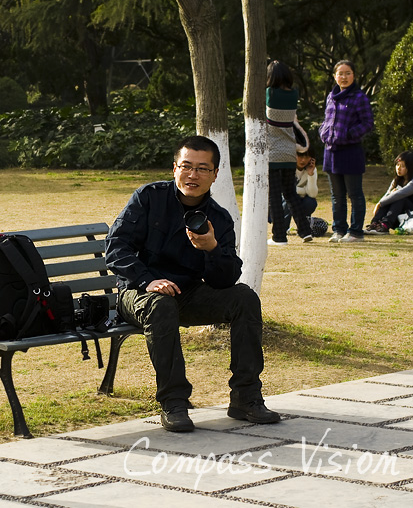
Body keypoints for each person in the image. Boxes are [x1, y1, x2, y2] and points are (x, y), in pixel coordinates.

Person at [105, 135, 281, 433]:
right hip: (138, 292)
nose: (193, 175)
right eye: (186, 166)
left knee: (244, 298)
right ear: (175, 168)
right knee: (161, 305)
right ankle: (174, 402)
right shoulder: (149, 198)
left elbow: (224, 280)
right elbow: (116, 248)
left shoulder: (219, 220)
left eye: (202, 169)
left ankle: (245, 397)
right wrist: (148, 280)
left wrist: (212, 248)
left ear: (215, 174)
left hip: (187, 294)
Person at [319, 60, 374, 243]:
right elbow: (327, 120)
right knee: (337, 195)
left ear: (354, 75)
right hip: (331, 152)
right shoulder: (330, 96)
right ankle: (339, 230)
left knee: (355, 194)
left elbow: (367, 123)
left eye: (347, 73)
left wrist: (348, 135)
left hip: (351, 151)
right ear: (335, 76)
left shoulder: (359, 97)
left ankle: (356, 231)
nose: (343, 77)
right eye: (340, 73)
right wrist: (323, 132)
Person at [266, 60, 314, 245]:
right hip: (289, 152)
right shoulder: (293, 94)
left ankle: (279, 236)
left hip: (272, 153)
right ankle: (305, 231)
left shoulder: (269, 93)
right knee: (291, 193)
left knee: (275, 196)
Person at [366, 150, 413, 233]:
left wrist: (380, 203)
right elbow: (387, 194)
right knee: (390, 198)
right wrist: (381, 202)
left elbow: (401, 194)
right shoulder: (397, 179)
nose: (398, 168)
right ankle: (375, 224)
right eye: (397, 165)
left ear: (410, 167)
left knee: (399, 198)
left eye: (403, 166)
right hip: (403, 214)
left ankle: (385, 225)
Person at [280, 149, 319, 231]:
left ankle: (303, 227)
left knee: (310, 202)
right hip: (282, 200)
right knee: (289, 199)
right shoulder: (287, 167)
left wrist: (310, 174)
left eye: (307, 157)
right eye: (300, 156)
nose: (303, 160)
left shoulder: (312, 170)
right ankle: (283, 228)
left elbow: (312, 194)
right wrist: (304, 190)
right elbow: (284, 189)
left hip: (299, 199)